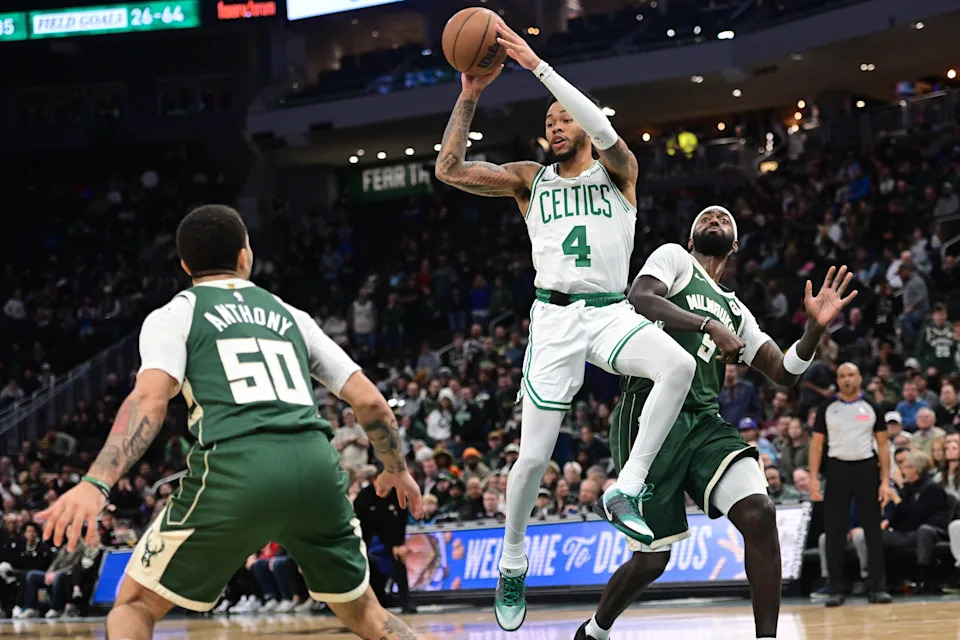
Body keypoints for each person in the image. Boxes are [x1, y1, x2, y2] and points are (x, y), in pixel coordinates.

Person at [36, 206, 423, 640]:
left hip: (237, 465)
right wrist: (396, 469)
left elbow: (149, 400)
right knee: (366, 613)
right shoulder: (292, 315)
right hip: (315, 465)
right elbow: (371, 402)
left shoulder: (175, 315)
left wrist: (96, 482)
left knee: (135, 605)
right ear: (245, 257)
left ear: (185, 265)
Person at [434, 21, 696, 630]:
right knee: (532, 459)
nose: (555, 125)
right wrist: (469, 91)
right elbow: (449, 168)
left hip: (608, 311)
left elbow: (606, 132)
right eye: (548, 120)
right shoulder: (530, 180)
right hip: (553, 320)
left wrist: (537, 66)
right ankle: (513, 557)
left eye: (564, 118)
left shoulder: (620, 172)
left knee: (677, 364)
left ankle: (626, 488)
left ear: (584, 122)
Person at [579, 208, 858, 640]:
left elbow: (784, 372)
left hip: (704, 423)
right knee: (652, 560)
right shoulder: (675, 259)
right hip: (649, 414)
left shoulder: (736, 309)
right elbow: (641, 297)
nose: (713, 217)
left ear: (734, 245)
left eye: (723, 218)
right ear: (691, 239)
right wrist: (708, 326)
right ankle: (595, 631)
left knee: (760, 513)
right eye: (705, 217)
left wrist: (814, 331)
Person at [808, 363, 895, 607]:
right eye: (842, 376)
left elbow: (884, 446)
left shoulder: (871, 406)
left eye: (851, 375)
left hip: (867, 468)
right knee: (834, 531)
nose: (847, 379)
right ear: (837, 379)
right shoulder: (827, 407)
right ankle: (836, 588)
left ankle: (878, 587)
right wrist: (814, 477)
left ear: (859, 378)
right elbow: (816, 446)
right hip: (837, 469)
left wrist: (885, 481)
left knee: (872, 530)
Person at [883, 450, 950, 593]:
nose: (902, 470)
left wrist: (898, 500)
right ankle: (886, 580)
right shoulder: (907, 488)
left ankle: (924, 578)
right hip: (909, 532)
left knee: (923, 531)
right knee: (879, 536)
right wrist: (888, 520)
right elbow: (899, 519)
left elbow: (917, 517)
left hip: (932, 530)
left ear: (916, 469)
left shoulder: (932, 488)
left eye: (906, 467)